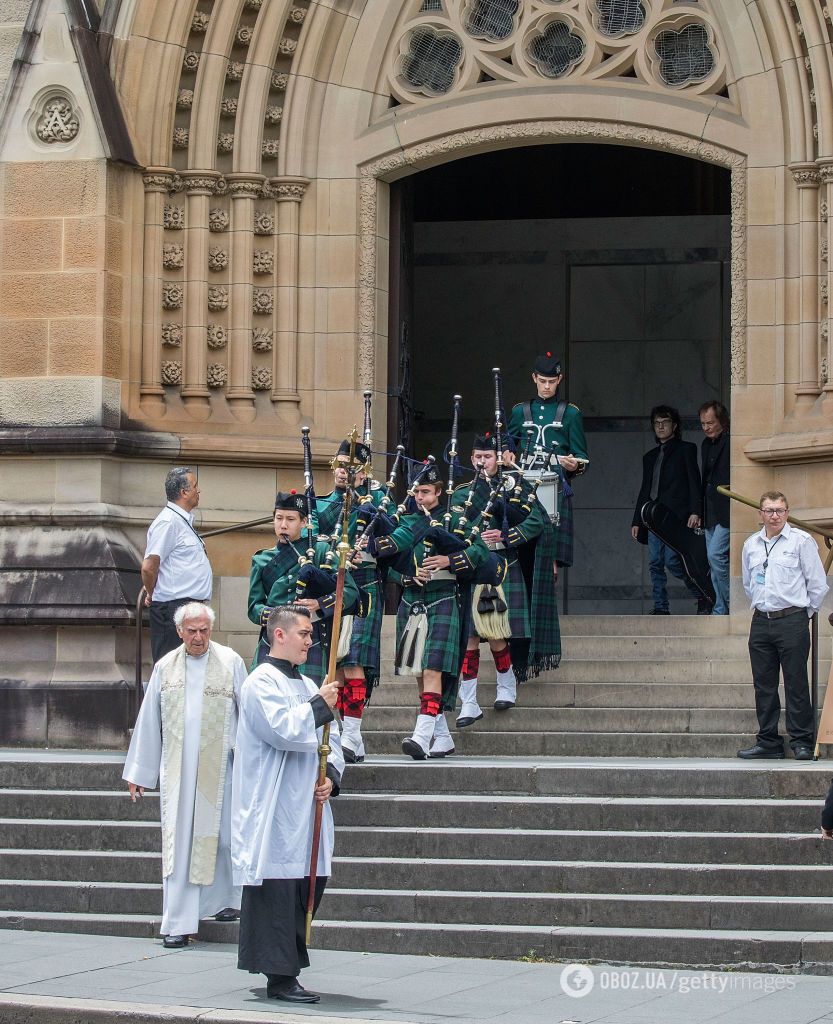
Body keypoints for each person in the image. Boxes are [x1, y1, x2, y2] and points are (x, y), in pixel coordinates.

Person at [232, 605, 344, 1004]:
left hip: (309, 802)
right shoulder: (259, 682)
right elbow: (281, 730)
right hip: (275, 804)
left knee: (306, 884)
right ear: (279, 635)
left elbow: (334, 741)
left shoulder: (311, 683)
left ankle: (289, 964)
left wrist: (331, 777)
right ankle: (279, 976)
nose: (311, 641)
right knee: (278, 889)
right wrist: (320, 706)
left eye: (311, 634)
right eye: (304, 633)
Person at [123, 602, 245, 948]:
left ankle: (225, 901)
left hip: (222, 766)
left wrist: (251, 761)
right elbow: (150, 721)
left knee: (223, 838)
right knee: (180, 845)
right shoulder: (166, 667)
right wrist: (140, 771)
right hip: (178, 769)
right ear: (179, 632)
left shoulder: (231, 662)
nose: (198, 637)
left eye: (204, 630)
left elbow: (247, 715)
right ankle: (177, 922)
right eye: (191, 631)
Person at [372, 461, 493, 759]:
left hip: (443, 598)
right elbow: (388, 565)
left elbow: (479, 552)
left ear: (439, 491)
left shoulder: (455, 521)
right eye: (416, 492)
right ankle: (441, 735)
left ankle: (421, 735)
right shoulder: (406, 524)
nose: (419, 497)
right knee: (418, 670)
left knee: (432, 668)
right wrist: (406, 575)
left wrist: (448, 561)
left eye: (425, 491)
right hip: (412, 601)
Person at [450, 432, 560, 726]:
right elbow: (453, 527)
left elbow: (537, 520)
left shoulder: (514, 485)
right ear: (471, 459)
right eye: (477, 458)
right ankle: (469, 702)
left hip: (503, 563)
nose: (482, 462)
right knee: (471, 636)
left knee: (497, 632)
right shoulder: (461, 493)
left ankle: (506, 684)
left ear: (497, 459)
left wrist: (507, 535)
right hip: (474, 566)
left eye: (487, 457)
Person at [738, 491, 829, 761]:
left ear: (787, 513)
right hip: (761, 621)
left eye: (779, 510)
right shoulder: (751, 544)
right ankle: (768, 741)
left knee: (796, 682)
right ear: (760, 514)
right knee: (763, 685)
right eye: (769, 510)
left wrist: (804, 613)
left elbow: (817, 585)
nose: (774, 515)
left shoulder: (801, 541)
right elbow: (748, 583)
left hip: (792, 619)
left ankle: (801, 741)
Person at [315, 439, 385, 763]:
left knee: (355, 660)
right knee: (338, 665)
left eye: (350, 466)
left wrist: (372, 524)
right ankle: (346, 732)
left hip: (365, 582)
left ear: (363, 471)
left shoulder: (378, 500)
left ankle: (353, 733)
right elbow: (316, 535)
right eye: (340, 465)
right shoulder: (324, 503)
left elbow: (397, 535)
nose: (343, 471)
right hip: (335, 583)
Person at [247, 491, 359, 683]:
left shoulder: (323, 551)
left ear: (304, 522)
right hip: (275, 638)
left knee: (310, 702)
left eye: (290, 519)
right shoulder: (261, 559)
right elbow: (254, 608)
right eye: (279, 518)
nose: (283, 525)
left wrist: (319, 603)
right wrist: (277, 616)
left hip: (311, 638)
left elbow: (349, 592)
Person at [507, 351, 589, 574]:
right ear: (534, 378)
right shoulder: (519, 411)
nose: (546, 387)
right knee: (520, 548)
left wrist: (574, 465)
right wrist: (506, 453)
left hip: (555, 484)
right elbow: (506, 444)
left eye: (552, 382)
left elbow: (583, 458)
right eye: (542, 381)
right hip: (523, 484)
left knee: (549, 563)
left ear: (559, 380)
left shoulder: (571, 413)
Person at [631, 405, 706, 615]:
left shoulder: (686, 449)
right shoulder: (650, 456)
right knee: (655, 563)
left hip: (677, 517)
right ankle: (661, 607)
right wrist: (637, 520)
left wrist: (695, 511)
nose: (661, 426)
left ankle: (702, 594)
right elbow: (645, 488)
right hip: (653, 518)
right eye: (657, 423)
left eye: (665, 422)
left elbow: (694, 482)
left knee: (674, 561)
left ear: (674, 426)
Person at [142, 467, 213, 663]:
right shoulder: (168, 522)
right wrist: (150, 592)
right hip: (173, 609)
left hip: (188, 608)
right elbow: (149, 566)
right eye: (195, 486)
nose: (199, 491)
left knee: (188, 668)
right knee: (171, 670)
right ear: (184, 492)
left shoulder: (181, 521)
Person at [699, 400, 731, 615]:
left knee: (715, 555)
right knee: (712, 562)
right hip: (709, 510)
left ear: (721, 421)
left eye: (710, 422)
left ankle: (730, 602)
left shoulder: (731, 441)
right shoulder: (704, 444)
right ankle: (720, 607)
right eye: (703, 424)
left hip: (727, 510)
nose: (707, 427)